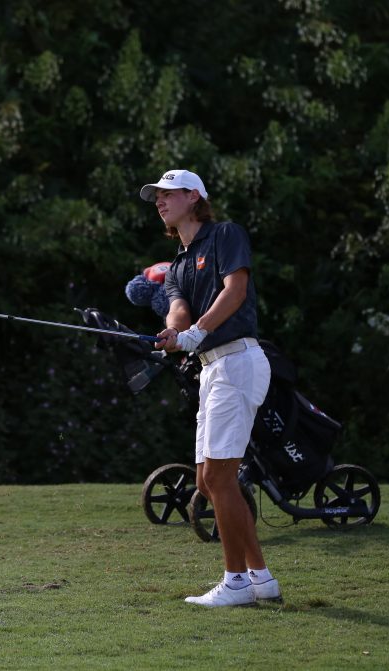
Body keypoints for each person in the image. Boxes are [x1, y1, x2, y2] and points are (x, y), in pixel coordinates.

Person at [139, 169, 282, 607]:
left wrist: (197, 333)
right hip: (211, 369)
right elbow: (178, 312)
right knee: (208, 477)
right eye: (156, 197)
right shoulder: (179, 263)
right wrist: (171, 335)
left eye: (167, 194)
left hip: (238, 359)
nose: (159, 202)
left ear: (193, 197)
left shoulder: (225, 234)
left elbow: (235, 292)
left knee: (219, 477)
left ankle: (235, 582)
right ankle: (261, 579)